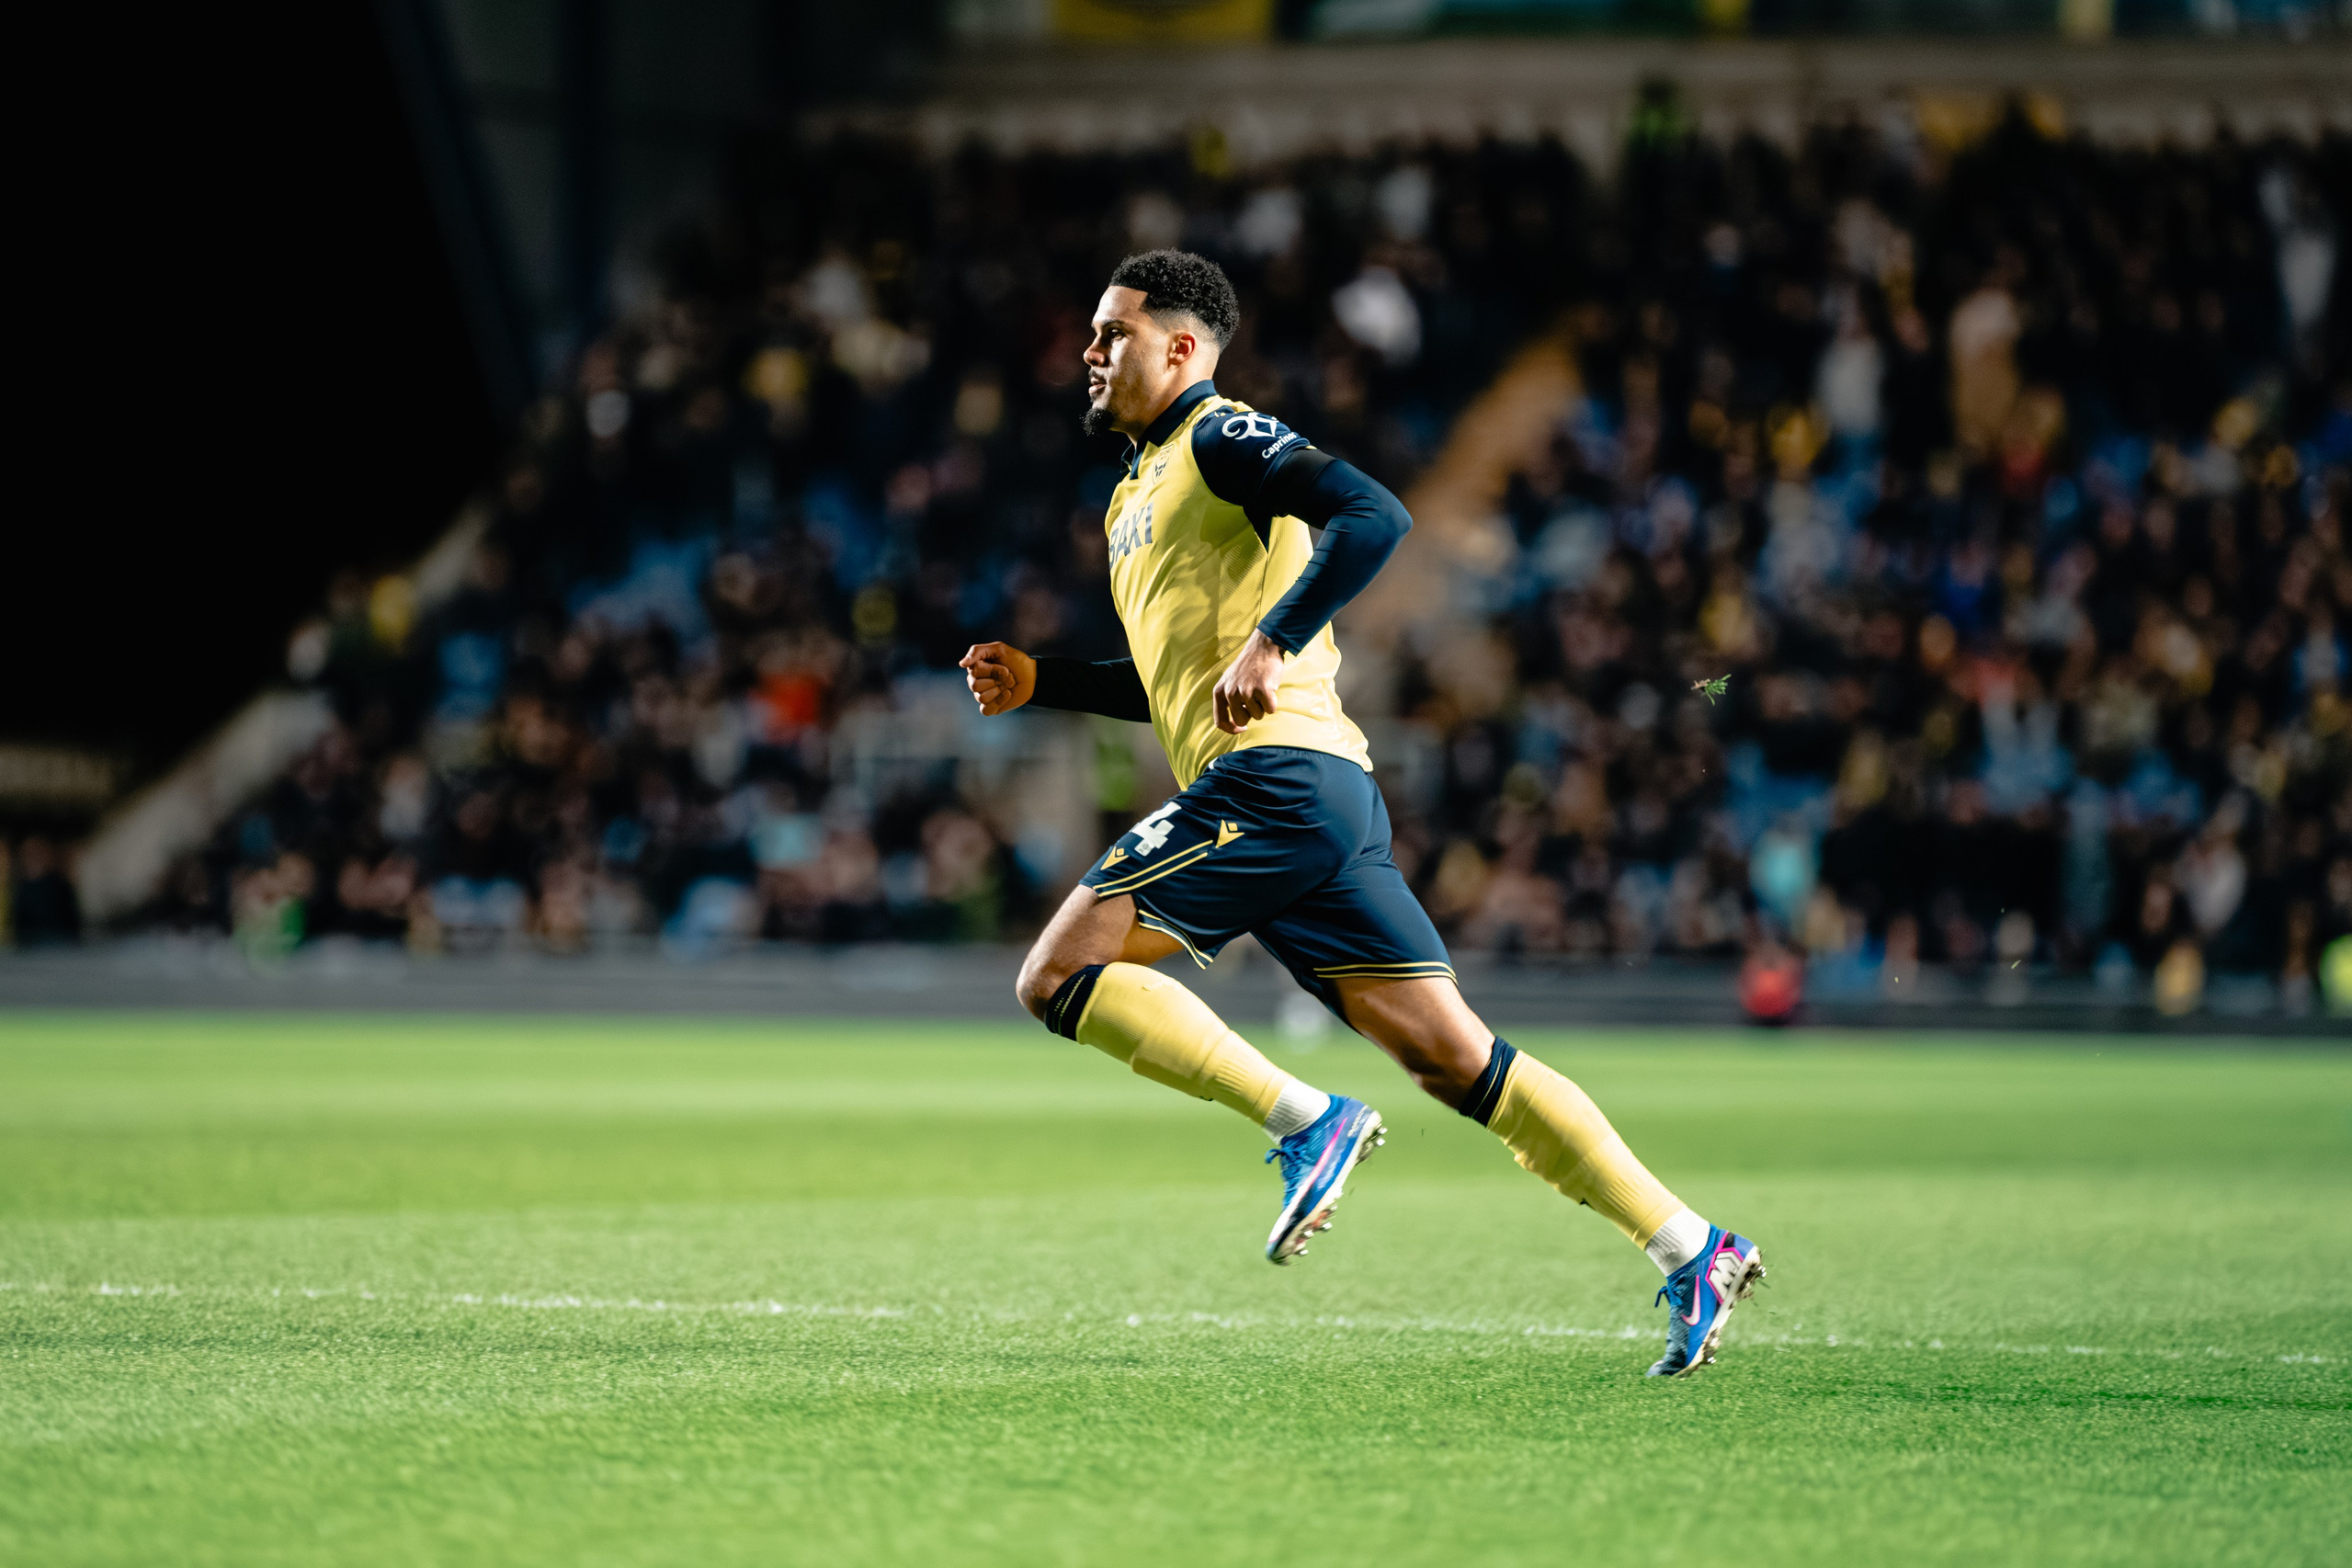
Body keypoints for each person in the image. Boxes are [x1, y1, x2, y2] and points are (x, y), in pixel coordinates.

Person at [961, 250, 1764, 1378]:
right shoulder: (1134, 494)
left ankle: (1306, 1119)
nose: (1090, 353)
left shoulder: (1219, 437)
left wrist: (1276, 636)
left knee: (1055, 973)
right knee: (1454, 1058)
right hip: (1313, 793)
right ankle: (1693, 1245)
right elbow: (1182, 682)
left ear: (1183, 348)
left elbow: (1375, 516)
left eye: (1114, 333)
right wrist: (1047, 680)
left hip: (1272, 779)